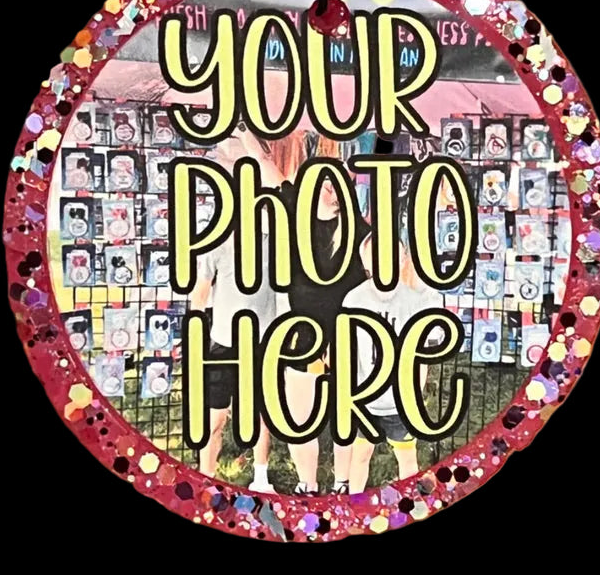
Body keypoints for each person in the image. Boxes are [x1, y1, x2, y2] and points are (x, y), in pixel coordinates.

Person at [189, 125, 286, 493]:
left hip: (262, 343)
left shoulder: (275, 240)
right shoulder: (216, 242)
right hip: (223, 344)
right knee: (214, 418)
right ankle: (207, 481)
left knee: (261, 413)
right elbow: (199, 295)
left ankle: (261, 479)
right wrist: (195, 338)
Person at [279, 143, 368, 495]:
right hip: (302, 336)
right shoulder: (291, 213)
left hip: (346, 337)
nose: (332, 190)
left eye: (338, 184)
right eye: (325, 183)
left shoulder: (359, 230)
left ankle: (342, 484)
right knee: (300, 418)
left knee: (344, 414)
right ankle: (308, 486)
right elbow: (266, 169)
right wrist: (242, 132)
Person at [342, 235, 445, 493]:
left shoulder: (415, 302)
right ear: (366, 263)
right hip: (364, 398)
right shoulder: (354, 300)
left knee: (407, 458)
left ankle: (409, 501)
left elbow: (423, 353)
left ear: (402, 260)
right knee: (360, 455)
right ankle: (354, 503)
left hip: (400, 401)